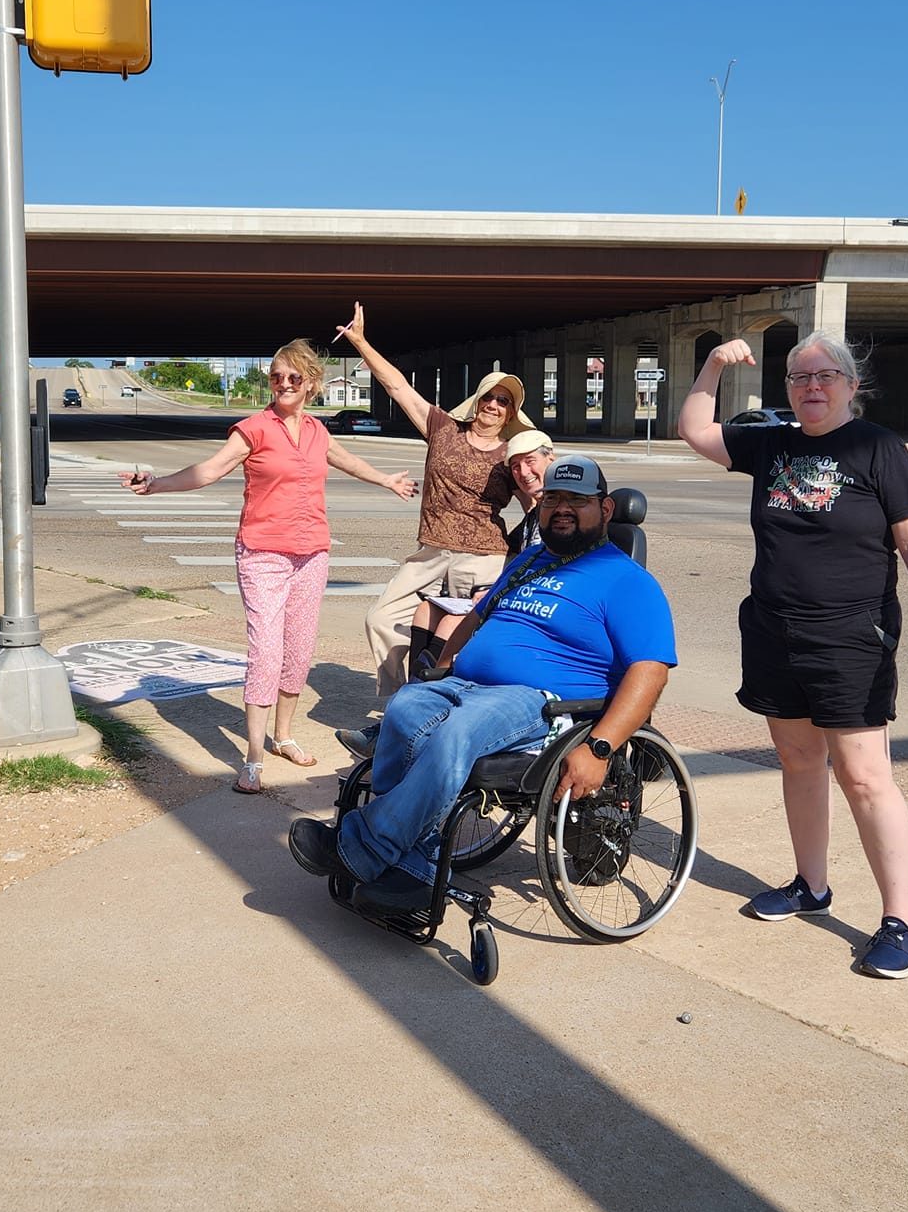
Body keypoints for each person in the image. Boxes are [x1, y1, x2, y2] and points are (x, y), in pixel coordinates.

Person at [677, 332, 908, 979]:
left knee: (863, 776)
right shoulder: (771, 443)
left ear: (851, 385)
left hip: (851, 637)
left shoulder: (878, 449)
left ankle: (901, 920)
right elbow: (696, 429)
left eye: (826, 375)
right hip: (776, 633)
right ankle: (812, 885)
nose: (812, 387)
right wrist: (716, 364)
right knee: (799, 760)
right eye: (800, 378)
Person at [288, 456, 676, 911]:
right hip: (468, 686)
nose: (561, 508)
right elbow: (476, 617)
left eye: (577, 500)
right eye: (553, 498)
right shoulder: (531, 559)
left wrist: (601, 748)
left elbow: (650, 672)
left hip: (545, 705)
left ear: (606, 510)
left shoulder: (628, 581)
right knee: (405, 709)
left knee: (458, 731)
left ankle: (363, 848)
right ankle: (414, 868)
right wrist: (443, 670)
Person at [120, 340, 416, 793]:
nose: (282, 383)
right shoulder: (253, 429)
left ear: (311, 383)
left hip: (312, 553)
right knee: (266, 651)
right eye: (276, 376)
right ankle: (254, 758)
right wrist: (156, 484)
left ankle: (283, 736)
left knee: (298, 649)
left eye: (292, 377)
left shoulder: (317, 431)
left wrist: (386, 479)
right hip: (262, 553)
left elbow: (346, 460)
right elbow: (209, 470)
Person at [335, 302, 531, 704]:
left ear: (511, 412)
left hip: (484, 558)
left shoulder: (513, 452)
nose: (494, 405)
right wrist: (360, 342)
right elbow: (397, 387)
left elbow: (536, 500)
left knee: (460, 641)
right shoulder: (442, 428)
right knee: (381, 620)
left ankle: (447, 707)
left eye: (504, 401)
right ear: (477, 398)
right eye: (489, 396)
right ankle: (398, 705)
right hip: (432, 553)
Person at [399, 428, 557, 684]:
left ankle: (425, 699)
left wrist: (499, 594)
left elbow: (555, 571)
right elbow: (515, 561)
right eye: (515, 467)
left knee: (453, 622)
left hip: (539, 607)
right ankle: (410, 697)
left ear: (551, 458)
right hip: (518, 598)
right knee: (426, 611)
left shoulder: (562, 511)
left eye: (530, 462)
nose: (523, 473)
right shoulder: (534, 516)